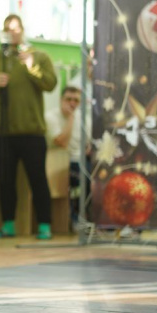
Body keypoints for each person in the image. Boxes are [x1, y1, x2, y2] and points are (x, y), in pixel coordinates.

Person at [0, 14, 57, 240]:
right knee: (5, 181)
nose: (12, 32)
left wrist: (32, 68)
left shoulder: (39, 57)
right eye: (7, 29)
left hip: (32, 133)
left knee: (38, 179)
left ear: (23, 30)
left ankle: (44, 225)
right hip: (3, 133)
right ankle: (8, 224)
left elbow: (50, 84)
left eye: (16, 28)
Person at [45, 84, 91, 230]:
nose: (72, 103)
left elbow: (90, 144)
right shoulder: (50, 116)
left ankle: (95, 220)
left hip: (82, 160)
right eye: (68, 99)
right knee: (78, 176)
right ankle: (75, 219)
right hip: (59, 162)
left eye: (76, 101)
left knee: (95, 175)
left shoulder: (85, 118)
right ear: (61, 100)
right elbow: (61, 142)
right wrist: (71, 117)